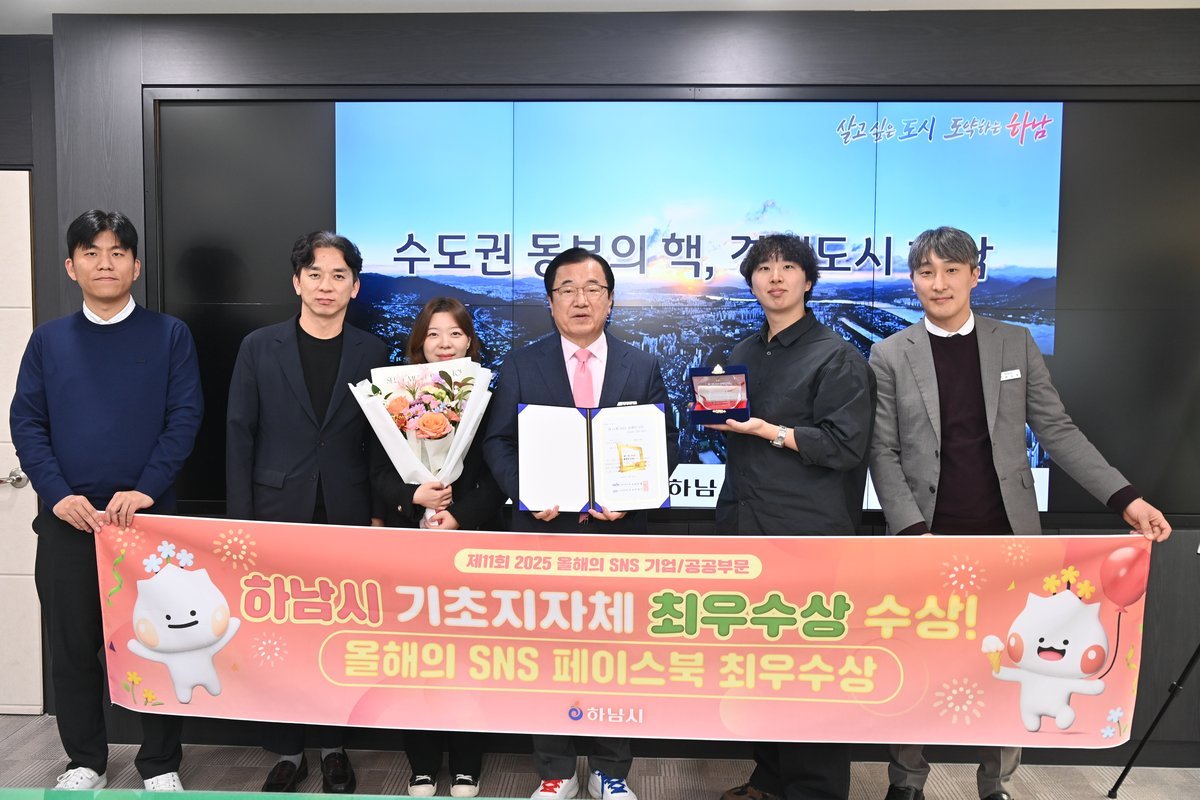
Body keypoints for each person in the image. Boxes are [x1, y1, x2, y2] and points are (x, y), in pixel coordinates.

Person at [867, 225, 1172, 800]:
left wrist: (1126, 498)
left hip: (1009, 537)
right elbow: (881, 451)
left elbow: (1057, 431)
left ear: (974, 275)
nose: (939, 283)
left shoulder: (1014, 343)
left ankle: (997, 785)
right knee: (917, 660)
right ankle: (906, 784)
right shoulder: (889, 353)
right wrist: (911, 530)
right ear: (912, 281)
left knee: (1016, 659)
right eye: (927, 272)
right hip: (925, 537)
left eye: (951, 271)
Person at [10, 209, 203, 791]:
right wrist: (57, 494)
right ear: (71, 267)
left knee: (161, 640)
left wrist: (146, 488)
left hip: (148, 523)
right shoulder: (48, 340)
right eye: (91, 253)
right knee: (73, 649)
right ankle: (85, 760)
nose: (105, 263)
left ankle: (161, 763)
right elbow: (28, 423)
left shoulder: (169, 335)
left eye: (117, 252)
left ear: (136, 266)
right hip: (68, 522)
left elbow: (184, 417)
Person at [483, 247, 678, 800]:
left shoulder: (642, 365)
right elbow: (497, 442)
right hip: (545, 534)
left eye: (593, 288)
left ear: (610, 300)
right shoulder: (521, 364)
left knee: (616, 655)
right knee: (548, 654)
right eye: (566, 289)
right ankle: (557, 770)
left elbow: (663, 442)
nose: (580, 299)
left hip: (619, 535)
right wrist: (526, 492)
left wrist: (633, 499)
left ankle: (611, 770)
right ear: (550, 303)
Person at [710, 233, 874, 800]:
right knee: (759, 664)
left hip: (807, 535)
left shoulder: (836, 356)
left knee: (810, 668)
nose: (775, 277)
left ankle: (814, 790)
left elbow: (846, 445)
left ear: (808, 280)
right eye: (763, 269)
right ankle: (770, 778)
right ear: (751, 282)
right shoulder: (743, 351)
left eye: (787, 267)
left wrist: (771, 431)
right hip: (745, 524)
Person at [226, 231, 389, 794]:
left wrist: (378, 513)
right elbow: (239, 435)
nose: (326, 286)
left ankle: (334, 747)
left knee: (339, 632)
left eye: (339, 276)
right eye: (315, 274)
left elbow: (379, 444)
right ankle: (287, 751)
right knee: (278, 635)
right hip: (275, 511)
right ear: (297, 282)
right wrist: (242, 522)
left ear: (355, 287)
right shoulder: (259, 346)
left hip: (348, 511)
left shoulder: (372, 352)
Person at [372, 297, 504, 798]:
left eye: (454, 334)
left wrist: (459, 515)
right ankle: (422, 764)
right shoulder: (394, 398)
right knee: (416, 655)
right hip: (411, 543)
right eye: (433, 334)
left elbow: (499, 470)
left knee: (469, 656)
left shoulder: (488, 395)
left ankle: (467, 763)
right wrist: (414, 499)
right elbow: (376, 470)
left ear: (469, 340)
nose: (444, 344)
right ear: (419, 342)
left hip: (471, 542)